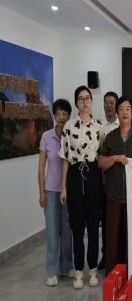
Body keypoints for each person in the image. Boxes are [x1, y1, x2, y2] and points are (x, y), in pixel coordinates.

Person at [98, 97, 132, 276]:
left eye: (128, 109)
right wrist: (114, 158)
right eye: (121, 109)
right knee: (112, 235)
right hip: (113, 194)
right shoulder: (111, 137)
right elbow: (101, 162)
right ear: (117, 113)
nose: (124, 112)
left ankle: (130, 272)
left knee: (131, 235)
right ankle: (113, 274)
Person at [59, 86, 103, 290]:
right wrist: (63, 187)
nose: (85, 102)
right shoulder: (69, 126)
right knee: (77, 227)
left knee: (93, 227)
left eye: (87, 98)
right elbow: (65, 158)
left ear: (91, 102)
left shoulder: (99, 127)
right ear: (76, 103)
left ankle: (92, 269)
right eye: (81, 99)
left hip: (93, 175)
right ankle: (78, 271)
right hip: (75, 176)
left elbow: (102, 158)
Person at [38, 99, 74, 287]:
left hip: (68, 191)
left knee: (66, 232)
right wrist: (41, 192)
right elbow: (41, 166)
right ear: (54, 115)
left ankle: (66, 267)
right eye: (58, 114)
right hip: (51, 191)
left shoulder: (72, 136)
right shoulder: (46, 136)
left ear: (69, 116)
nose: (61, 117)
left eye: (64, 114)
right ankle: (52, 271)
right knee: (52, 233)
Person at [97, 91, 119, 270]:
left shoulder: (122, 126)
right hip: (104, 182)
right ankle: (106, 255)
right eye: (107, 103)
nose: (109, 106)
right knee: (105, 221)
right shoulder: (99, 128)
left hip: (120, 183)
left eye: (112, 103)